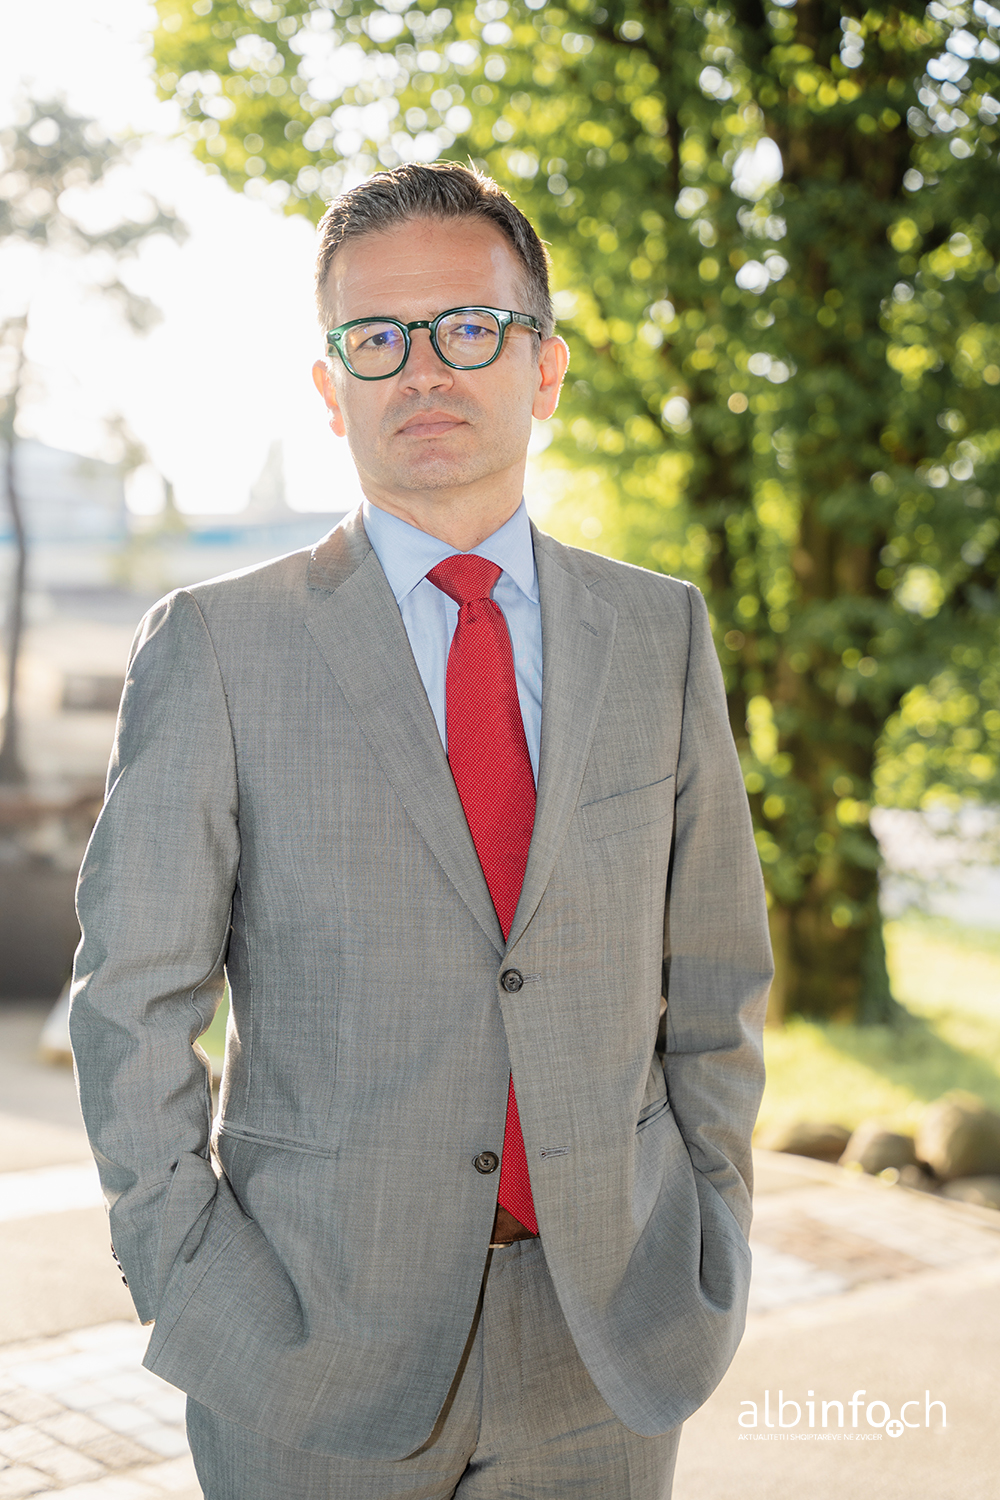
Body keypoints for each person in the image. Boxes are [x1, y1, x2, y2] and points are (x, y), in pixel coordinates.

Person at [70, 162, 772, 1500]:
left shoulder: (659, 633)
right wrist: (188, 1276)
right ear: (330, 388)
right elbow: (130, 1002)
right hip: (305, 1345)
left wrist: (713, 1223)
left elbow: (717, 978)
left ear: (545, 368)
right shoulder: (218, 646)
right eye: (378, 338)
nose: (424, 370)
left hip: (610, 1338)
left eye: (468, 327)